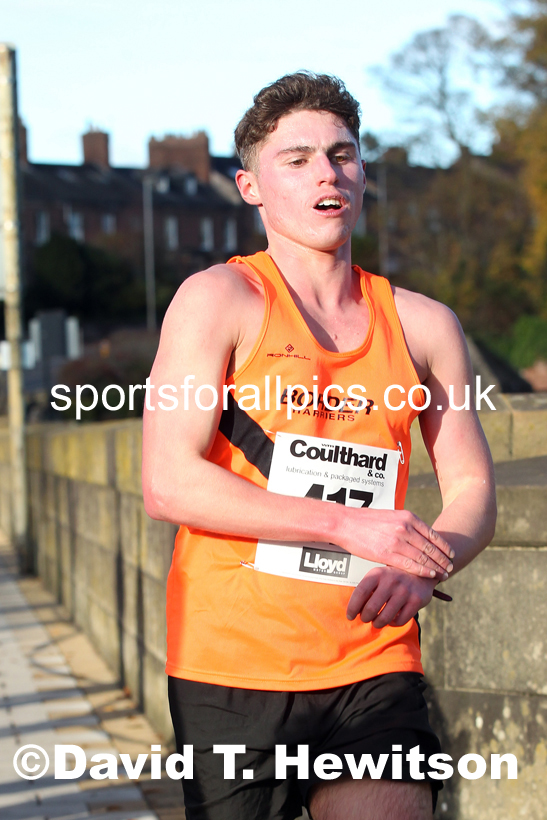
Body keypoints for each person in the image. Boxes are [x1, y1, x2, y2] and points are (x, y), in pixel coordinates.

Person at [142, 72, 496, 820]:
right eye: (296, 159)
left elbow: (470, 488)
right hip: (232, 662)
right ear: (249, 187)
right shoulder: (219, 300)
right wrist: (345, 524)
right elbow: (167, 482)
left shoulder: (425, 325)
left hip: (371, 653)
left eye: (342, 154)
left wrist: (430, 560)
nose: (327, 173)